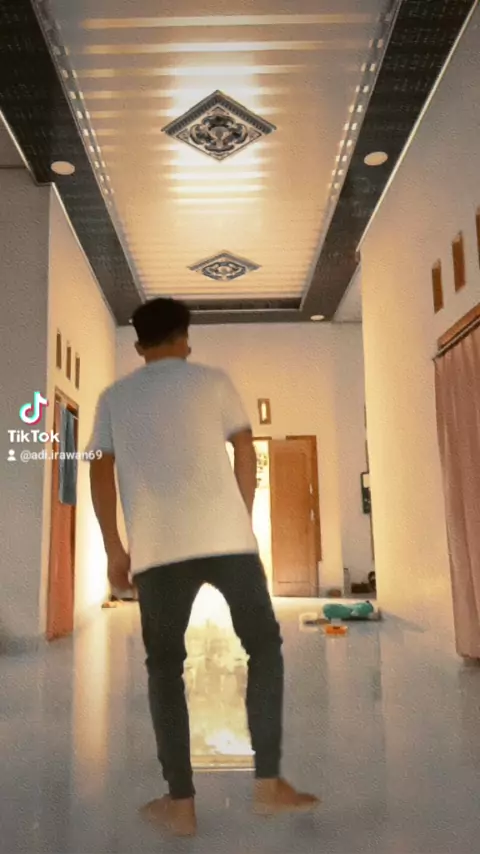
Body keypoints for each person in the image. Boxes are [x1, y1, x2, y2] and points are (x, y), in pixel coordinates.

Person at [87, 297, 319, 837]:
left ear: (138, 346)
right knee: (263, 647)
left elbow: (98, 470)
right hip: (228, 541)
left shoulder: (115, 397)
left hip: (158, 550)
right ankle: (268, 784)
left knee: (164, 668)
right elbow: (245, 448)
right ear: (185, 339)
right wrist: (243, 517)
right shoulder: (214, 382)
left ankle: (181, 804)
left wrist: (114, 549)